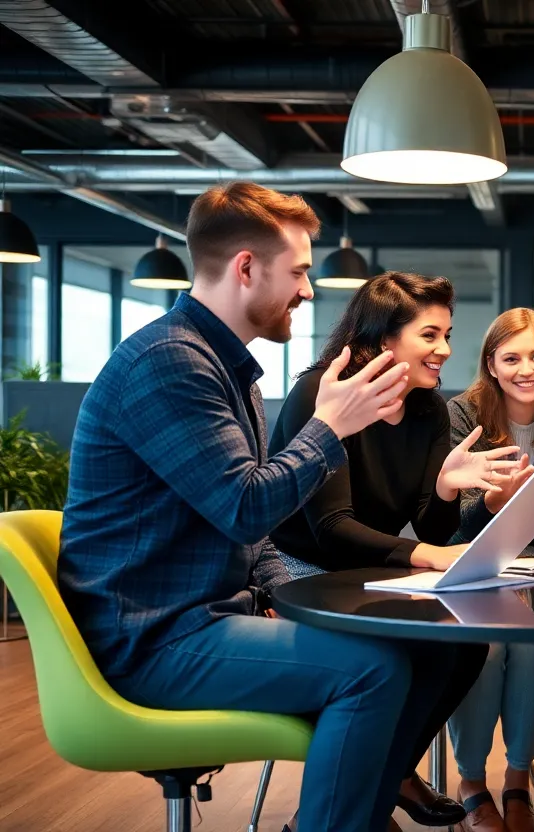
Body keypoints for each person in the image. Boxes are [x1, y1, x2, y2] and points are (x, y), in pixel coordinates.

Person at [58, 182, 434, 832]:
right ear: (246, 269)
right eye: (300, 273)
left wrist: (299, 601)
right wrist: (330, 427)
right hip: (152, 640)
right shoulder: (169, 363)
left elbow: (250, 541)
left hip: (195, 621)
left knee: (428, 650)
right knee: (372, 670)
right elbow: (245, 508)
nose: (310, 291)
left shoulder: (222, 367)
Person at [270, 272, 520, 828]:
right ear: (384, 340)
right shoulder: (321, 394)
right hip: (301, 568)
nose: (445, 350)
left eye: (447, 335)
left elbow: (428, 522)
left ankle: (388, 777)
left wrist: (447, 488)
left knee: (463, 645)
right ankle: (370, 795)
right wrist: (426, 555)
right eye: (430, 335)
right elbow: (331, 528)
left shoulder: (428, 407)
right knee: (399, 654)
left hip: (367, 570)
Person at [444, 308, 534, 832]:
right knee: (491, 643)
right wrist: (495, 504)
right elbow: (451, 518)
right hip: (471, 569)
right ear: (492, 365)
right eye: (512, 358)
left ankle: (518, 779)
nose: (526, 368)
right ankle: (472, 783)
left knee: (531, 642)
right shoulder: (462, 414)